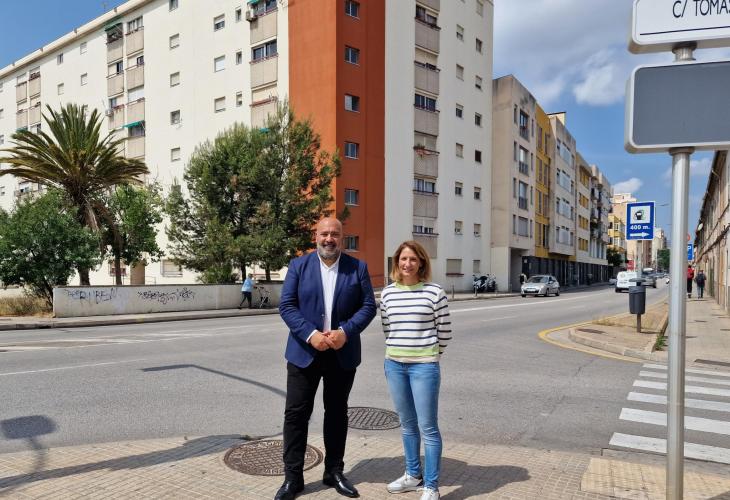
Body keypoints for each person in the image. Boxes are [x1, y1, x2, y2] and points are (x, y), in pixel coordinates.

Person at [276, 217, 377, 500]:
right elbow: (287, 306)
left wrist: (346, 331)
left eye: (334, 234)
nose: (329, 239)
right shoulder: (298, 266)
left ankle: (333, 471)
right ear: (316, 236)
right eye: (324, 234)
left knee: (336, 413)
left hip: (342, 354)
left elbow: (368, 306)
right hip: (304, 353)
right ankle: (293, 478)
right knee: (296, 415)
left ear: (342, 238)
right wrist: (311, 335)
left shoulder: (357, 267)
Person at [380, 241, 451, 500]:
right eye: (403, 259)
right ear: (396, 262)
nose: (407, 264)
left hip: (424, 366)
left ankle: (431, 486)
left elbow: (444, 332)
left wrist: (429, 356)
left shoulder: (434, 292)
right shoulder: (387, 293)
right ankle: (412, 475)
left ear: (421, 262)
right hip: (394, 364)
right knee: (407, 424)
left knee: (428, 427)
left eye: (412, 259)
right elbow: (387, 329)